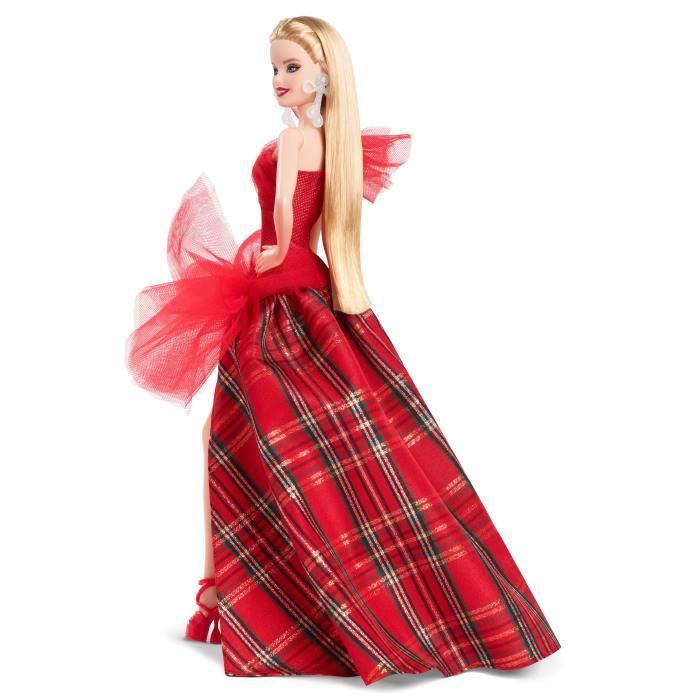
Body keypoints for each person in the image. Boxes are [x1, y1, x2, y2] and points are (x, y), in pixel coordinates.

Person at [126, 14, 561, 686]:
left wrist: (266, 259)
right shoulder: (339, 144)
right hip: (313, 292)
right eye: (274, 68)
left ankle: (236, 590)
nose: (279, 80)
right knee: (321, 433)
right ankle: (239, 588)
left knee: (241, 433)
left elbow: (282, 223)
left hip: (279, 293)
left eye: (291, 67)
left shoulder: (296, 139)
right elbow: (326, 232)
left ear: (324, 73)